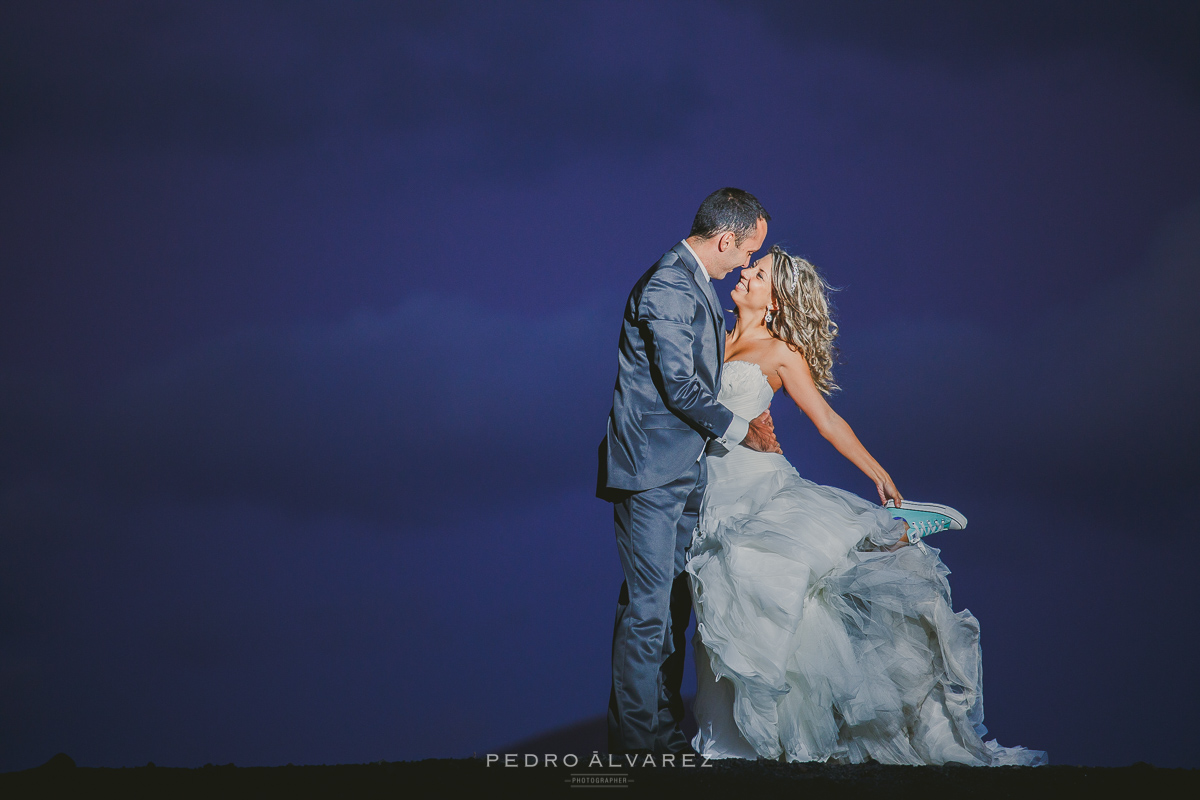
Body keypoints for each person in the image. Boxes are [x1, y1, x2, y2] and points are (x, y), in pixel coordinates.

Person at [687, 245, 1046, 766]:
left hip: (759, 488)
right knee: (728, 606)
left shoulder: (779, 353)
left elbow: (827, 420)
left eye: (758, 273)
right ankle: (740, 740)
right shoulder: (711, 340)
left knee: (765, 580)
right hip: (715, 494)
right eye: (749, 266)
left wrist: (879, 474)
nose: (744, 273)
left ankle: (888, 529)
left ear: (777, 300)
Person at [598, 189, 782, 754]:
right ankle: (638, 746)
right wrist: (744, 429)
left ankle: (662, 734)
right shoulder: (669, 286)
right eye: (748, 251)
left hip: (683, 473)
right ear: (725, 239)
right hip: (651, 472)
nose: (746, 264)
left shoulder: (692, 283)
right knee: (649, 612)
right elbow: (679, 386)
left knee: (673, 611)